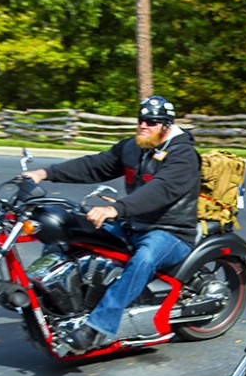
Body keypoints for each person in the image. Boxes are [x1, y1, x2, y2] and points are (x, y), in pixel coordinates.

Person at [25, 95, 200, 351]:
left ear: (166, 126)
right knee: (68, 229)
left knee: (145, 258)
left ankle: (97, 327)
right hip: (133, 223)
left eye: (151, 122)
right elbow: (94, 165)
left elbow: (160, 191)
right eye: (141, 120)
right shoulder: (134, 147)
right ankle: (55, 302)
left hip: (171, 231)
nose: (143, 125)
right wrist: (45, 173)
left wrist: (115, 209)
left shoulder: (183, 155)